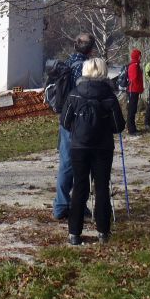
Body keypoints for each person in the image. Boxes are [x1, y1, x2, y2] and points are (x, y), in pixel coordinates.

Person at [64, 57, 123, 246]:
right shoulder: (109, 95)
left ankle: (74, 233)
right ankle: (103, 231)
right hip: (103, 147)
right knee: (101, 188)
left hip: (79, 147)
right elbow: (118, 125)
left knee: (80, 187)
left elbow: (64, 121)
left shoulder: (75, 93)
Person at [53, 32, 95, 220]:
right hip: (80, 121)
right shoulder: (84, 67)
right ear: (91, 48)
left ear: (75, 45)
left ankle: (61, 205)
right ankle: (76, 204)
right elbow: (84, 95)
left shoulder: (66, 63)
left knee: (66, 163)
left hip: (65, 118)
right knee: (81, 162)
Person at [125, 48, 143, 135]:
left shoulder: (134, 64)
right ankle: (131, 130)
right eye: (140, 56)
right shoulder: (134, 65)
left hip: (133, 90)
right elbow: (134, 79)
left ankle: (132, 128)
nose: (141, 57)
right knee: (132, 110)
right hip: (133, 90)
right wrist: (140, 88)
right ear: (137, 56)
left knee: (133, 110)